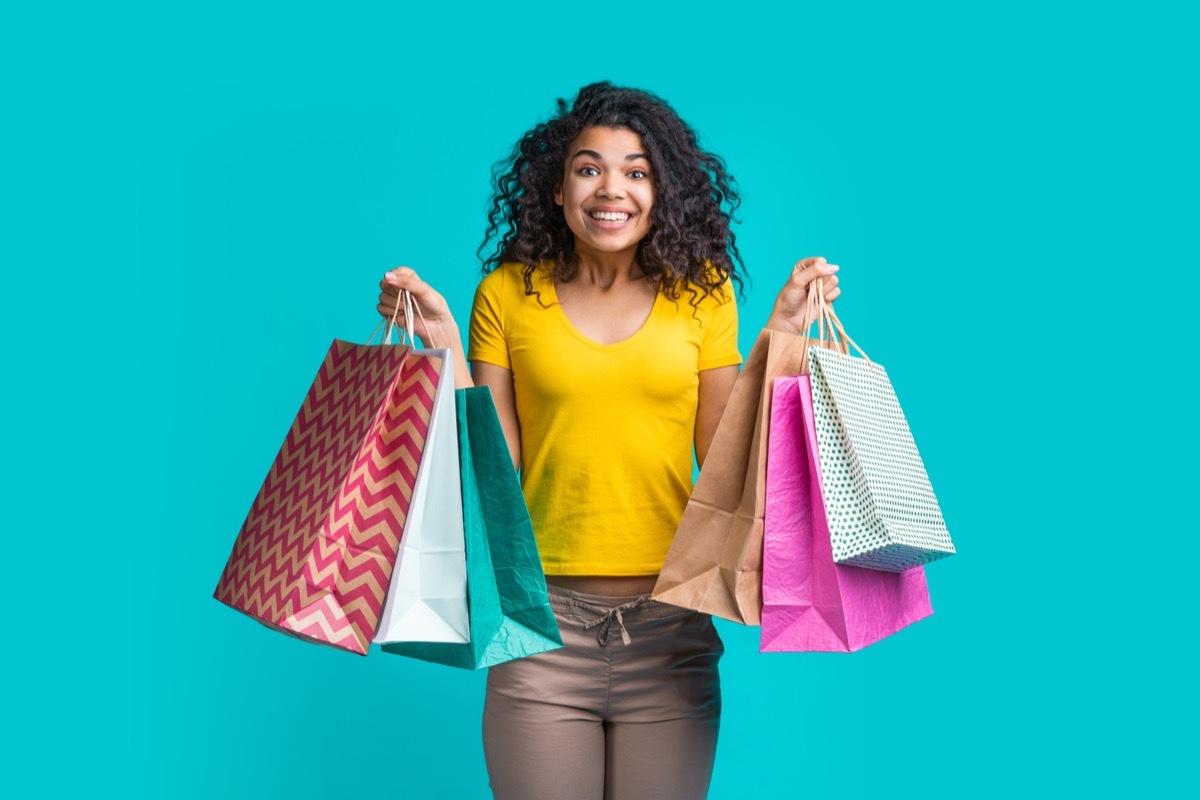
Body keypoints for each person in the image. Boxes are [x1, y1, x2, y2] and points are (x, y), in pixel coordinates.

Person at [377, 82, 840, 800]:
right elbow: (495, 471)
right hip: (539, 632)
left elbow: (725, 464)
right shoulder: (505, 294)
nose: (610, 188)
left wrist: (778, 334)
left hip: (671, 633)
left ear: (663, 191)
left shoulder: (705, 293)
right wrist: (442, 347)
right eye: (588, 168)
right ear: (557, 191)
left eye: (636, 171)